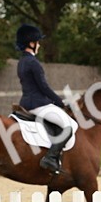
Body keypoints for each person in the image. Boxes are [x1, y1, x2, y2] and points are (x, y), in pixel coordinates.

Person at [15, 24, 78, 174]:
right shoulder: (33, 63)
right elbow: (43, 87)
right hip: (38, 104)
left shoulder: (22, 62)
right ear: (32, 43)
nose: (40, 45)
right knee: (69, 126)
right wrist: (59, 102)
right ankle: (50, 158)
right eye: (38, 42)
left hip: (27, 102)